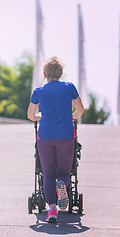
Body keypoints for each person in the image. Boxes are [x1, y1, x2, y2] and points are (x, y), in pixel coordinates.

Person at [27, 56, 84, 223]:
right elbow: (80, 110)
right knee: (65, 173)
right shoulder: (69, 88)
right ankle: (62, 183)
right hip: (66, 135)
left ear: (45, 74)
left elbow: (30, 115)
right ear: (61, 73)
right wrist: (69, 117)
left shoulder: (38, 91)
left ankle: (52, 210)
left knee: (47, 174)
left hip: (45, 136)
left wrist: (41, 118)